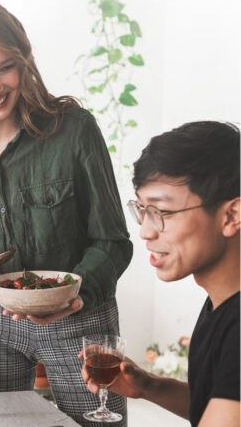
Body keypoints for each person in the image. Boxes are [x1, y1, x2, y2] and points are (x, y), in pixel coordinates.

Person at [0, 0, 132, 425]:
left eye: (4, 67)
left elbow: (112, 241)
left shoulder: (74, 130)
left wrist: (74, 293)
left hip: (79, 318)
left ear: (23, 61)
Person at [81, 121, 240, 427]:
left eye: (162, 212)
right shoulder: (221, 304)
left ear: (231, 215)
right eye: (141, 210)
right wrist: (149, 386)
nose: (144, 231)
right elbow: (216, 401)